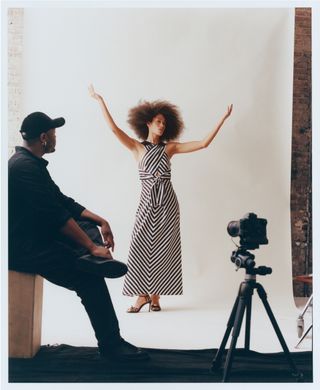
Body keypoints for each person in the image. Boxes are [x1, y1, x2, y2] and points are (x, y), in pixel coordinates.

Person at [8, 111, 148, 361]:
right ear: (43, 137)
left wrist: (100, 220)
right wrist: (93, 248)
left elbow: (63, 201)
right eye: (53, 134)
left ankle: (91, 255)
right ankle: (112, 345)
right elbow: (56, 216)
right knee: (89, 278)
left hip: (37, 238)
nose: (55, 138)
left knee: (87, 226)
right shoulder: (23, 168)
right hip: (25, 249)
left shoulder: (29, 163)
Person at [89, 85, 233, 313]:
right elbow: (115, 130)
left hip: (168, 203)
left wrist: (223, 119)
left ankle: (155, 297)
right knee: (140, 246)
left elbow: (203, 143)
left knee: (164, 248)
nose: (162, 125)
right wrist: (100, 101)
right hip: (147, 202)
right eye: (158, 121)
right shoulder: (137, 148)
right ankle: (141, 296)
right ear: (147, 123)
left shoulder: (170, 149)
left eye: (164, 123)